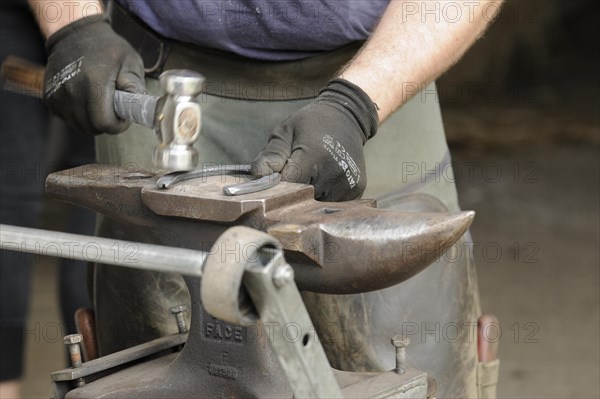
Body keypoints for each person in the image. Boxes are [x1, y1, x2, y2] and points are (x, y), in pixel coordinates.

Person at [28, 1, 503, 397]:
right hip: (157, 90)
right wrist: (73, 23)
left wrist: (356, 106)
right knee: (147, 360)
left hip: (384, 83)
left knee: (408, 363)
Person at [0, 1, 96, 397]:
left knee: (96, 204)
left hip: (115, 27)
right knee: (11, 209)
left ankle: (96, 384)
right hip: (24, 16)